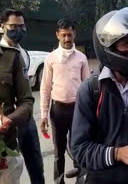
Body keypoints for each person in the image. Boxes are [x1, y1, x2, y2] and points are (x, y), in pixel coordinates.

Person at [71, 7, 128, 183]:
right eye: (127, 44)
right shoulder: (91, 90)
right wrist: (117, 154)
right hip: (102, 177)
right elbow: (80, 148)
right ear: (108, 49)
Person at [40, 19, 90, 184]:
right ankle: (59, 181)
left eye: (70, 34)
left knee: (78, 146)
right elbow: (45, 88)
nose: (67, 38)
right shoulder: (51, 58)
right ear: (57, 35)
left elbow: (87, 87)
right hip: (58, 111)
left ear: (74, 34)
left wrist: (89, 113)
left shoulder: (82, 58)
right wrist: (44, 114)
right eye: (63, 35)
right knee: (58, 150)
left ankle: (80, 179)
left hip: (77, 110)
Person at [1, 9, 45, 184]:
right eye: (13, 26)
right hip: (7, 122)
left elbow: (26, 93)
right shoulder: (4, 54)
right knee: (11, 166)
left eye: (22, 26)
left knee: (35, 160)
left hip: (24, 117)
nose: (18, 30)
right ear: (2, 26)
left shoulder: (23, 54)